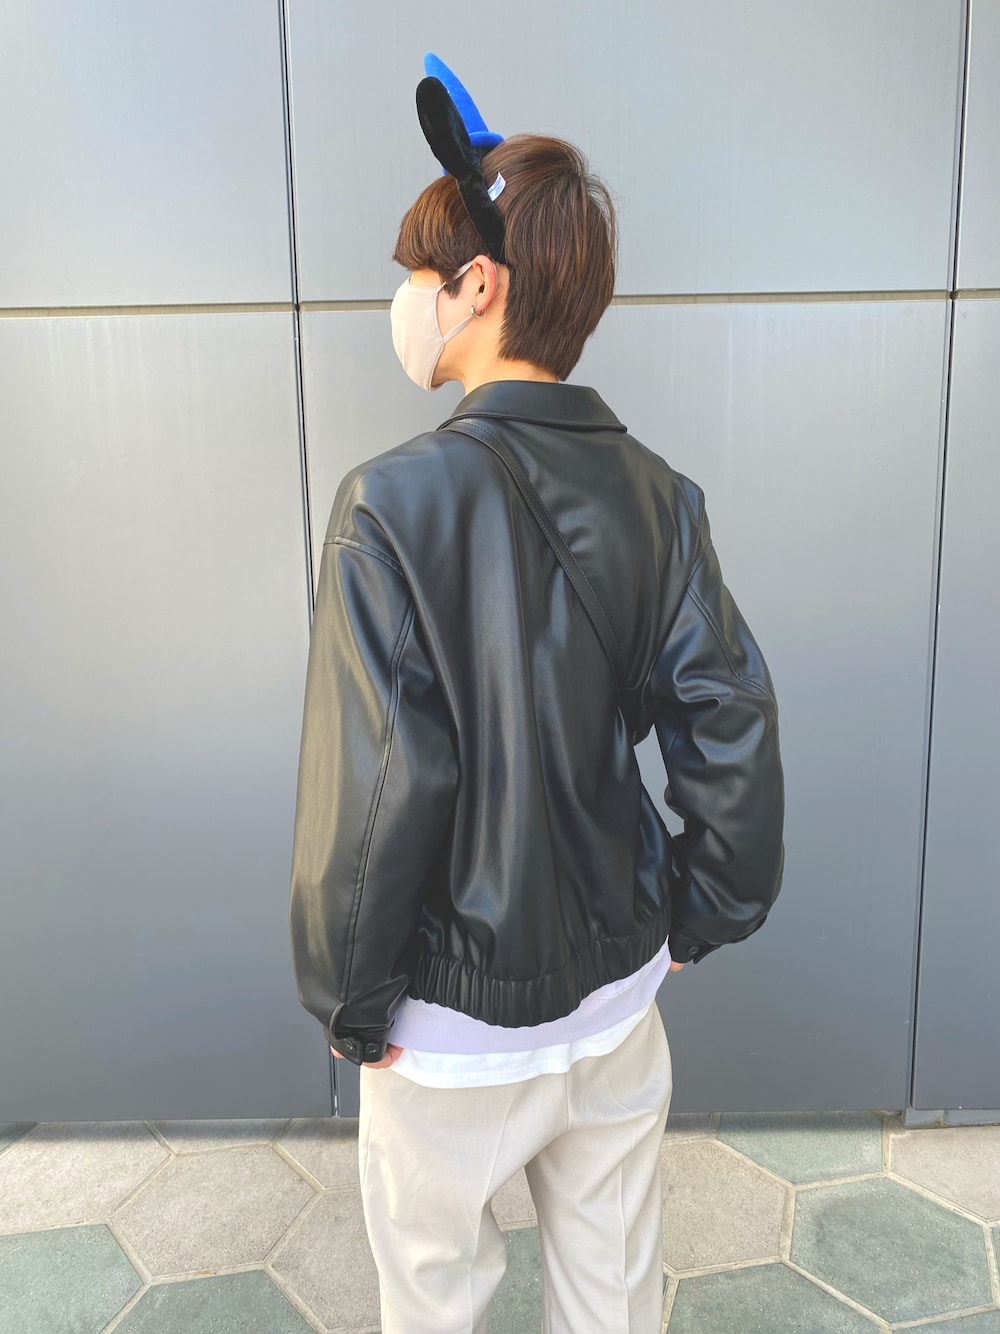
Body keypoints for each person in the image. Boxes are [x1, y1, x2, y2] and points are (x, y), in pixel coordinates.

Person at [288, 57, 785, 1334]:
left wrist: (348, 996)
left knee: (436, 1300)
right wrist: (697, 917)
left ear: (479, 286)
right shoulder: (660, 497)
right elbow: (730, 722)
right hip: (617, 997)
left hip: (446, 1029)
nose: (408, 299)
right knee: (611, 1299)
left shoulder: (387, 507)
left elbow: (383, 786)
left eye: (421, 273)